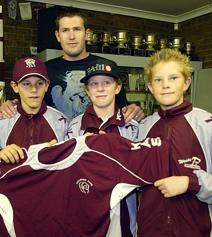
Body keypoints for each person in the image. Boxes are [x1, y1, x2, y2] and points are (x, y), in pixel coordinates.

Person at [0, 7, 144, 122]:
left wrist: (132, 110)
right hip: (57, 143)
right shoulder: (45, 69)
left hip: (97, 142)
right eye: (65, 30)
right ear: (57, 36)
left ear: (87, 34)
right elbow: (30, 101)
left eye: (77, 29)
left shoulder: (106, 66)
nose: (72, 36)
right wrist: (11, 105)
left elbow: (123, 107)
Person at [136, 48, 212, 237]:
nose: (166, 85)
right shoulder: (143, 128)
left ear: (186, 83)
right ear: (150, 87)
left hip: (198, 230)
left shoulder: (209, 125)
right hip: (150, 231)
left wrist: (191, 184)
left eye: (173, 78)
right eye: (158, 80)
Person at [67, 58, 138, 237]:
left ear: (117, 87)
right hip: (83, 212)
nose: (100, 89)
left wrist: (114, 149)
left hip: (123, 214)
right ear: (87, 90)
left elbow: (141, 173)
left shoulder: (134, 127)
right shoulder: (74, 127)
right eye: (93, 84)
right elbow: (65, 173)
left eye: (107, 82)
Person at [0, 57, 68, 163]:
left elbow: (70, 163)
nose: (34, 90)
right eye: (26, 84)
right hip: (13, 179)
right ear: (15, 86)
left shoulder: (61, 121)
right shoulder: (0, 122)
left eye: (39, 83)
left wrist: (60, 156)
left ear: (46, 86)